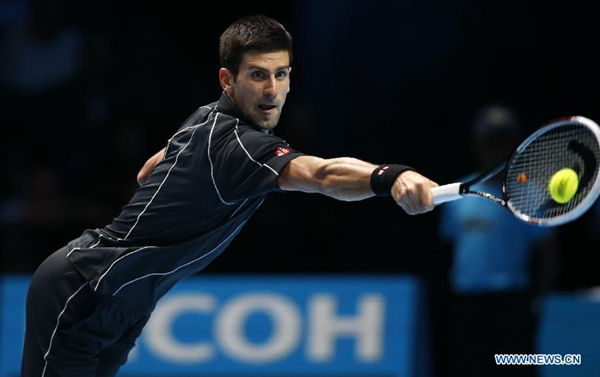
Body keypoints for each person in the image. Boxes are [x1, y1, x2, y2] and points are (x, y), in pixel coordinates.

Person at [21, 15, 438, 377]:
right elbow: (323, 175)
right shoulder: (238, 146)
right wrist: (390, 177)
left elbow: (149, 168)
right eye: (258, 74)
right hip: (83, 289)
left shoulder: (207, 118)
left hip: (123, 304)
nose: (272, 89)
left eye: (282, 73)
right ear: (228, 78)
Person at [439, 105, 556, 377]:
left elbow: (549, 255)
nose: (495, 148)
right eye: (489, 140)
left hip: (510, 305)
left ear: (514, 145)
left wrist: (539, 299)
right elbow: (448, 250)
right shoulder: (456, 194)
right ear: (477, 144)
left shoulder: (532, 194)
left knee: (514, 370)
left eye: (502, 140)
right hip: (467, 305)